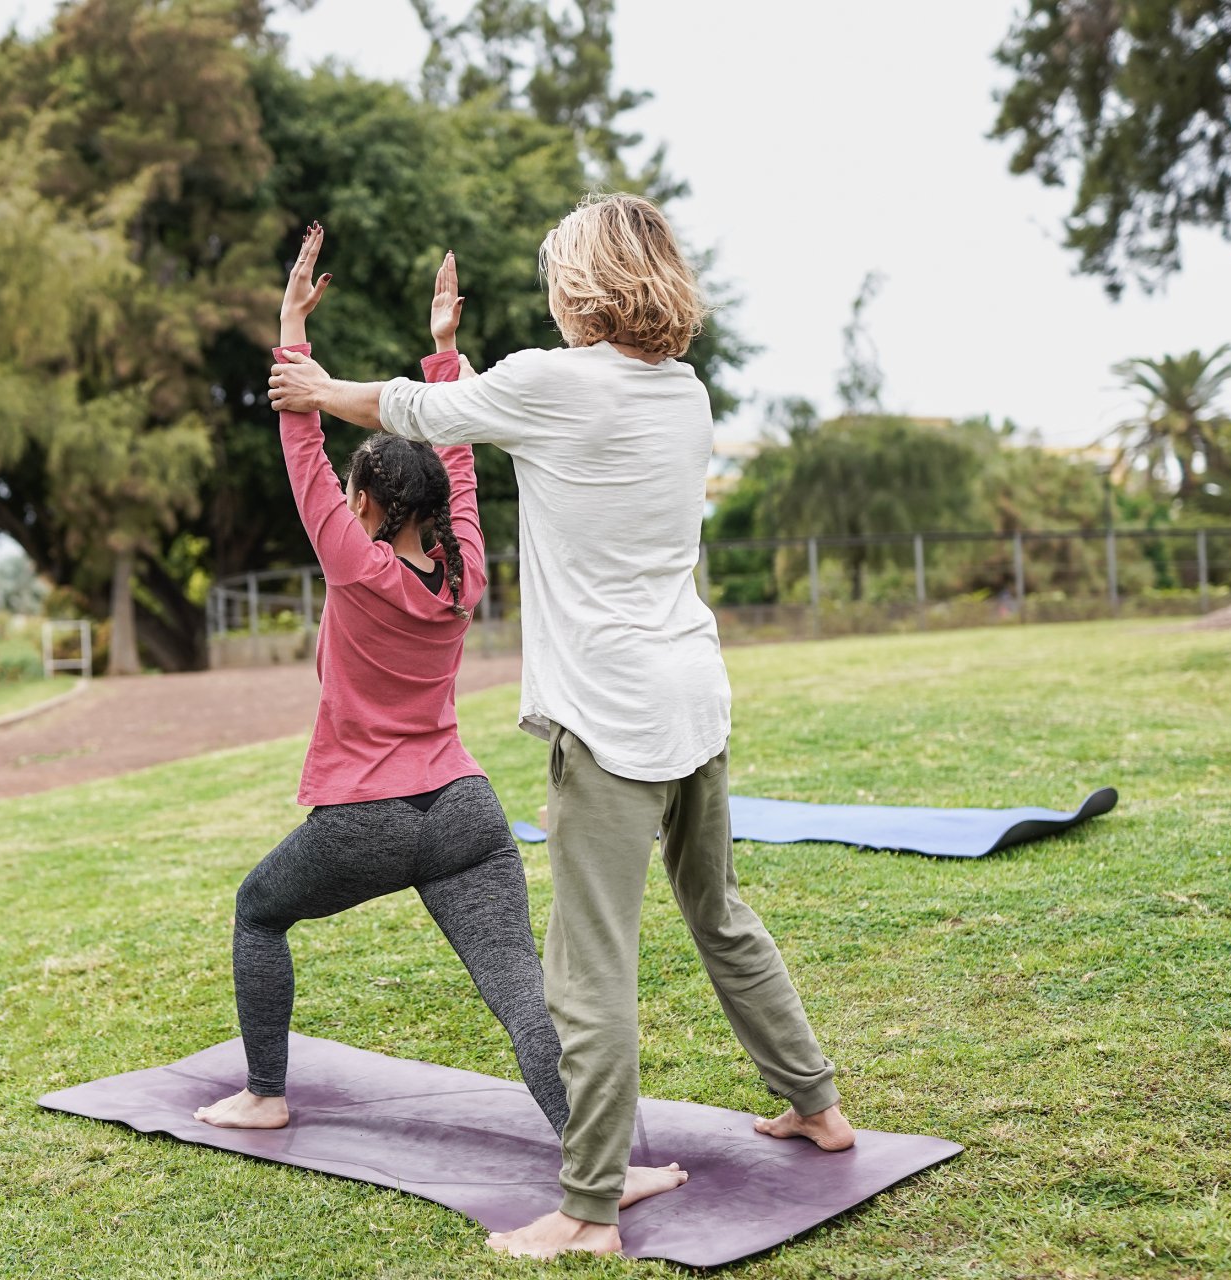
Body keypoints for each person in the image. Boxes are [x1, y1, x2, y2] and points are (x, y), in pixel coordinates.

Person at [268, 194, 853, 1260]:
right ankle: (815, 1102)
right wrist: (449, 357)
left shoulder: (552, 380)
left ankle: (588, 1206)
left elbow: (416, 417)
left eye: (557, 272)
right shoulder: (685, 392)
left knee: (588, 972)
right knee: (718, 910)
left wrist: (312, 383)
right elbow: (465, 419)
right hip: (696, 698)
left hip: (613, 721)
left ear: (583, 285)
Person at [193, 224, 687, 1210]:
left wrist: (292, 329)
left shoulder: (355, 559)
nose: (342, 494)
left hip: (366, 818)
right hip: (463, 810)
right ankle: (612, 1166)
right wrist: (443, 352)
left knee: (259, 908)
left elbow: (303, 445)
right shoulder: (462, 570)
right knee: (520, 989)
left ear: (370, 500)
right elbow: (460, 460)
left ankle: (262, 1094)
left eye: (353, 487)